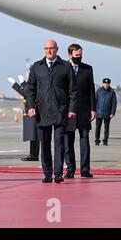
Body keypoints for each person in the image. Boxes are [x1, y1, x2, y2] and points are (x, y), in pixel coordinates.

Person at [25, 39, 77, 184]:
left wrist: (72, 109)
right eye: (46, 48)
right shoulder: (36, 67)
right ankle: (47, 173)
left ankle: (58, 173)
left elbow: (73, 90)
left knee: (59, 143)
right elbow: (30, 89)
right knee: (45, 144)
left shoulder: (66, 66)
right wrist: (30, 107)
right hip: (42, 112)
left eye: (51, 48)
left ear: (57, 49)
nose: (49, 51)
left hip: (61, 111)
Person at [64, 44, 96, 179]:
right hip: (68, 111)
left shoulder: (87, 69)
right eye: (77, 55)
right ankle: (70, 169)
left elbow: (91, 91)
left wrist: (93, 109)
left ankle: (85, 169)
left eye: (81, 55)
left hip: (84, 110)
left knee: (84, 141)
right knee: (68, 142)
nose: (79, 57)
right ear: (70, 55)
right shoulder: (62, 68)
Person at [95, 78, 117, 146]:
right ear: (103, 83)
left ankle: (105, 140)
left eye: (107, 83)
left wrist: (112, 113)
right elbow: (95, 101)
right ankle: (97, 140)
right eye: (105, 83)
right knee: (98, 127)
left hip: (107, 113)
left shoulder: (112, 92)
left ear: (109, 84)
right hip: (99, 112)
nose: (106, 85)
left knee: (106, 128)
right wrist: (93, 111)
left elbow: (114, 103)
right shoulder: (99, 91)